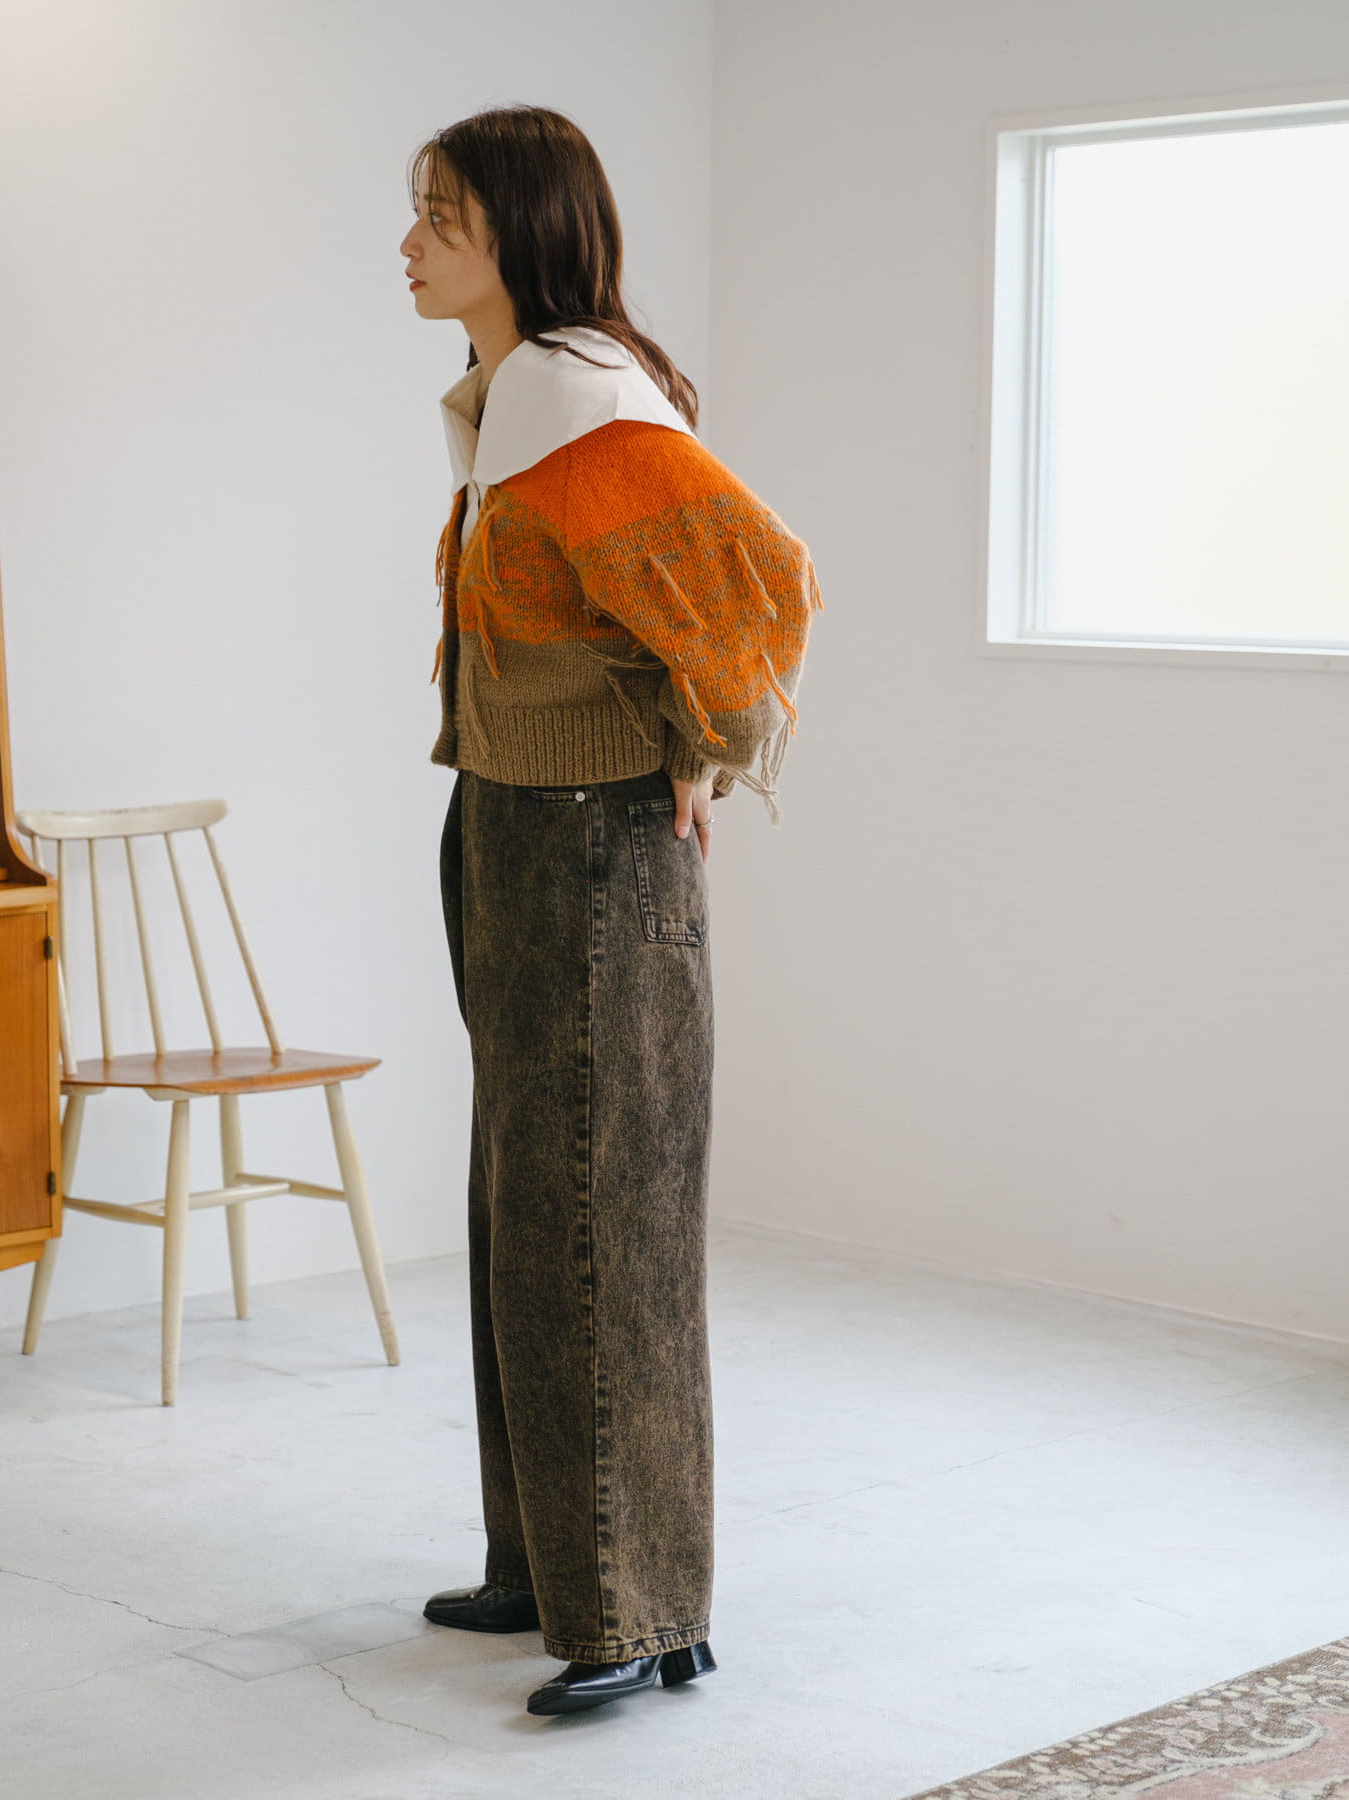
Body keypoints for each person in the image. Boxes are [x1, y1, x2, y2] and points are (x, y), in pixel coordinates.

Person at [399, 104, 820, 1718]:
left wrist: (705, 754)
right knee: (526, 1203)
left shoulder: (585, 405)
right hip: (509, 826)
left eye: (441, 215)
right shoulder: (517, 400)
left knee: (597, 1213)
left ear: (519, 230)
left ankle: (636, 1607)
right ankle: (543, 1563)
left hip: (589, 849)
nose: (411, 243)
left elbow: (760, 580)